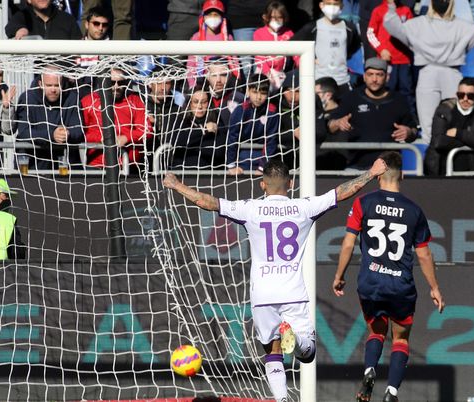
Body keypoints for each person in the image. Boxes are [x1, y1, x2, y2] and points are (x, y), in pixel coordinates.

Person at [162, 157, 388, 402]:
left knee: (272, 352)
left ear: (262, 185)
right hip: (292, 291)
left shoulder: (250, 209)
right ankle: (298, 339)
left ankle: (281, 400)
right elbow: (343, 192)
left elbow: (206, 201)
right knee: (307, 354)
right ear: (290, 183)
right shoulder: (304, 207)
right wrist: (371, 173)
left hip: (262, 295)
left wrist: (177, 185)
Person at [333, 151, 444, 402]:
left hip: (370, 281)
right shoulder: (414, 211)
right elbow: (424, 255)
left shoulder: (363, 203)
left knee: (376, 331)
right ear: (402, 175)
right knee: (401, 337)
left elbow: (349, 243)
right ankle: (392, 391)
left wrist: (339, 275)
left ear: (380, 174)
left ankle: (370, 369)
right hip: (400, 284)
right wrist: (435, 288)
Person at [383, 0, 474, 144]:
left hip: (452, 74)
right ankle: (431, 163)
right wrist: (391, 5)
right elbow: (392, 26)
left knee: (457, 123)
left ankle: (454, 162)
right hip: (427, 73)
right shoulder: (419, 23)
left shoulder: (461, 25)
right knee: (429, 128)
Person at [327, 57, 417, 169]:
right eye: (370, 74)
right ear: (364, 76)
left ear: (387, 77)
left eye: (379, 75)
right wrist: (338, 123)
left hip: (389, 168)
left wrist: (408, 132)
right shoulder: (351, 98)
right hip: (356, 166)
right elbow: (330, 126)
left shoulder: (399, 100)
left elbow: (413, 131)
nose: (374, 79)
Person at [15, 65, 85, 170]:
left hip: (65, 166)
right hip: (34, 166)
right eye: (49, 85)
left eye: (57, 85)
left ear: (62, 84)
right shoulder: (27, 99)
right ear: (40, 84)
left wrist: (68, 133)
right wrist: (52, 135)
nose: (53, 89)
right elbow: (24, 132)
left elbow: (80, 131)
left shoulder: (72, 98)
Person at [81, 67, 150, 168]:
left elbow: (147, 130)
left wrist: (126, 137)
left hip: (130, 167)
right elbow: (81, 134)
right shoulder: (89, 101)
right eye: (112, 83)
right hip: (97, 167)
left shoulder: (135, 101)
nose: (116, 87)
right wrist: (101, 138)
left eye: (120, 83)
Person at [424, 78, 474, 176]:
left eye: (470, 96)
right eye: (461, 95)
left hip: (471, 172)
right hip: (441, 172)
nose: (465, 99)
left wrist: (458, 133)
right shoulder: (444, 109)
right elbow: (438, 141)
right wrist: (471, 141)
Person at [293, 0, 362, 94]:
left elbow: (354, 46)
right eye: (329, 3)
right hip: (318, 81)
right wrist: (310, 57)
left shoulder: (349, 28)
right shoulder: (313, 27)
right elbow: (293, 44)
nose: (332, 7)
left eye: (335, 4)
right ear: (321, 5)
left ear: (342, 6)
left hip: (342, 81)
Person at [367, 0, 415, 113]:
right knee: (387, 90)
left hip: (404, 60)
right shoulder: (378, 11)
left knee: (407, 91)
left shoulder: (406, 10)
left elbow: (413, 33)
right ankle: (385, 116)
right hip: (386, 61)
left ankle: (410, 118)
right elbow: (370, 33)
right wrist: (381, 50)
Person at [226, 74, 279, 174]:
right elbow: (232, 138)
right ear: (248, 91)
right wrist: (231, 165)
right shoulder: (240, 110)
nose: (258, 97)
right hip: (240, 160)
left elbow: (271, 141)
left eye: (263, 93)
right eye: (255, 92)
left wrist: (262, 167)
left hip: (263, 161)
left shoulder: (272, 112)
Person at [167, 85, 221, 169]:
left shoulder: (216, 118)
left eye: (204, 102)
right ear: (189, 103)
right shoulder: (180, 118)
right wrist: (203, 130)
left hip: (208, 173)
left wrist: (192, 145)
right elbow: (175, 140)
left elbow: (219, 151)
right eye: (196, 102)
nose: (199, 106)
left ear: (209, 103)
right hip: (182, 171)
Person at [253, 1, 295, 89]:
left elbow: (296, 55)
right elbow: (259, 57)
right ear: (266, 17)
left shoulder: (289, 33)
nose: (276, 21)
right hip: (263, 71)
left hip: (282, 73)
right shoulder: (259, 33)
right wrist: (267, 73)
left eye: (280, 17)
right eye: (273, 18)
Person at [5, 0, 81, 40]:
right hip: (33, 68)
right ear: (29, 0)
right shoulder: (23, 16)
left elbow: (78, 49)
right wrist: (20, 29)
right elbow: (10, 27)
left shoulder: (67, 19)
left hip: (63, 67)